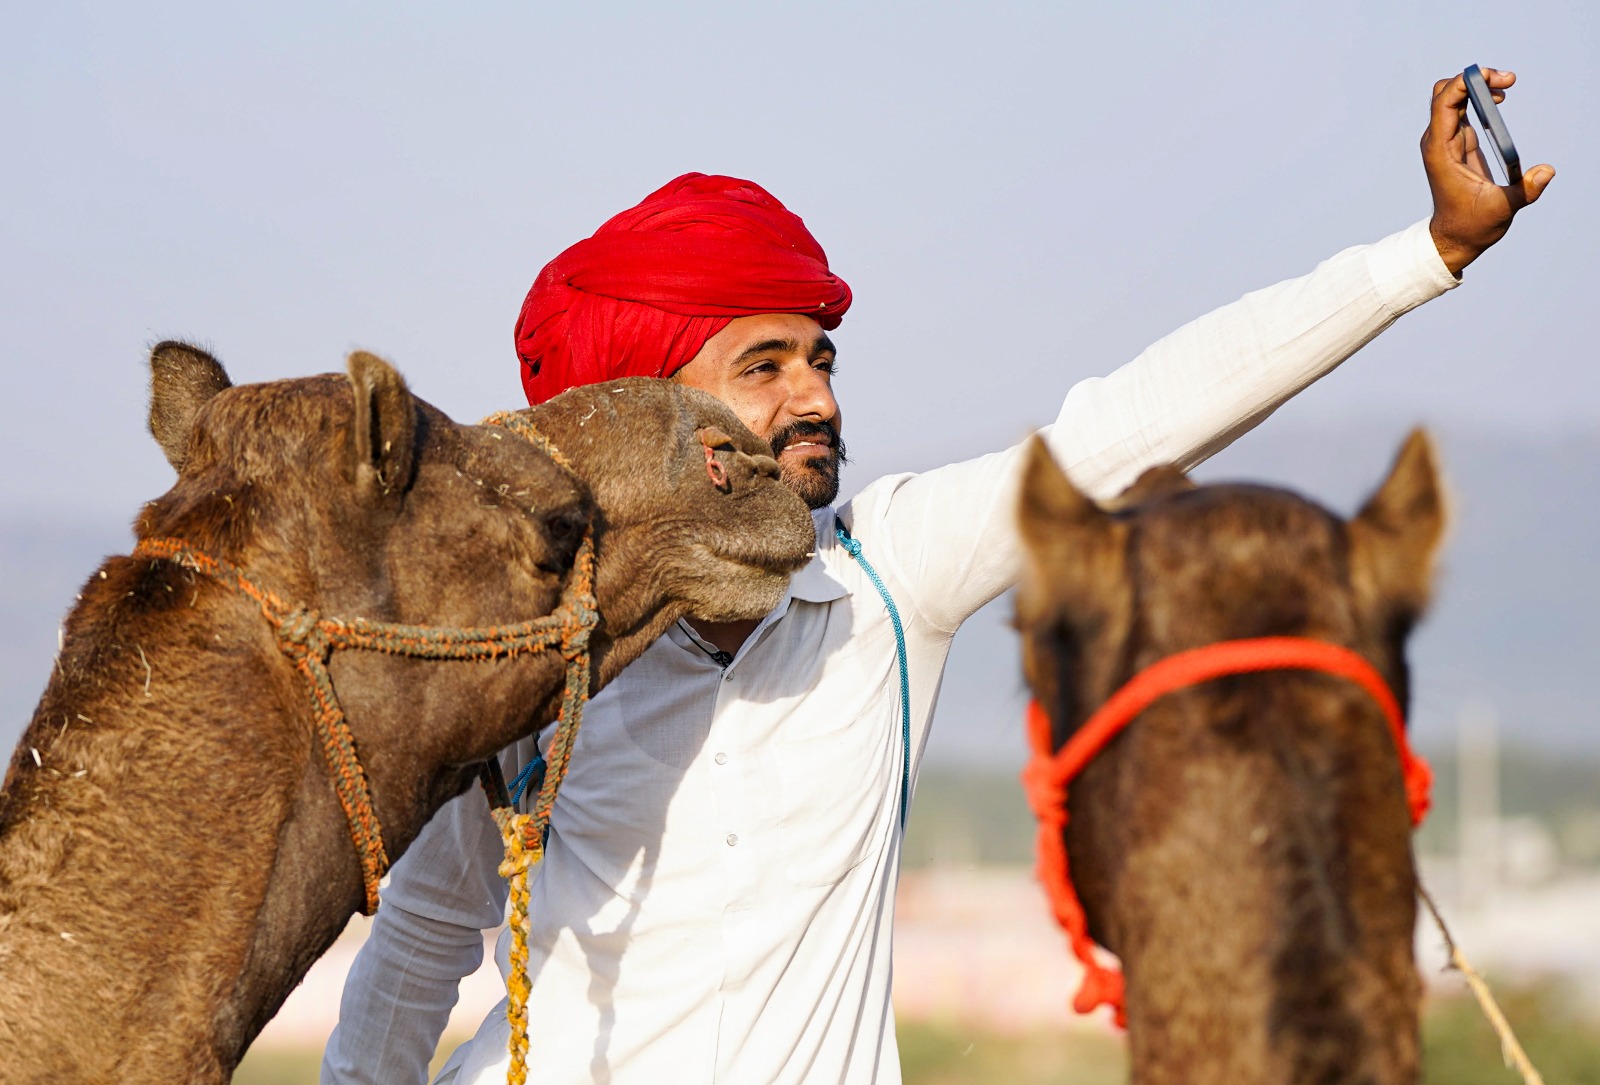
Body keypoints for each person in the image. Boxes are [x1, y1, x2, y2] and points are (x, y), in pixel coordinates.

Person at [321, 70, 1552, 1085]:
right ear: (649, 409)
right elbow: (420, 943)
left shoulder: (885, 582)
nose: (815, 396)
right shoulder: (534, 645)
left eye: (820, 357)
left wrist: (1427, 253)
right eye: (764, 366)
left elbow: (1132, 420)